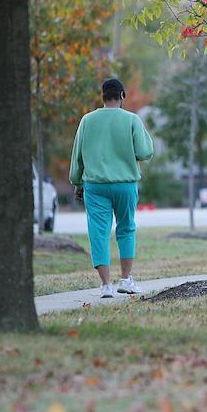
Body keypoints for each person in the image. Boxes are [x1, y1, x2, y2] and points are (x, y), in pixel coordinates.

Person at [69, 78, 154, 298]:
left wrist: (77, 182)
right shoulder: (132, 120)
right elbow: (145, 152)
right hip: (125, 184)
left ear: (103, 96)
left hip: (95, 186)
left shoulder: (87, 120)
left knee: (98, 232)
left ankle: (106, 285)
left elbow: (77, 158)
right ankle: (125, 280)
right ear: (123, 96)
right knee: (126, 228)